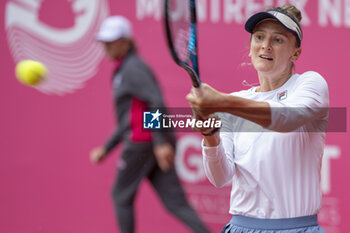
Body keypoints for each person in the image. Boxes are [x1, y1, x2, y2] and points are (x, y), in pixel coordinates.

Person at [186, 4, 328, 233]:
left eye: (278, 40)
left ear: (296, 53)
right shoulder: (234, 101)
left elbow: (286, 118)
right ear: (250, 48)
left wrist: (222, 102)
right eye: (259, 37)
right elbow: (220, 177)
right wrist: (210, 136)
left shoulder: (311, 84)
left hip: (298, 228)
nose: (266, 46)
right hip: (241, 227)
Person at [90, 16, 211, 233]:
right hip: (150, 142)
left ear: (126, 42)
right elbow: (129, 118)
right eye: (105, 41)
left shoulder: (132, 68)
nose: (106, 46)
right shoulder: (125, 68)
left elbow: (155, 100)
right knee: (176, 203)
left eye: (112, 41)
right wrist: (107, 148)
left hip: (143, 143)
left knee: (120, 195)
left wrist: (159, 142)